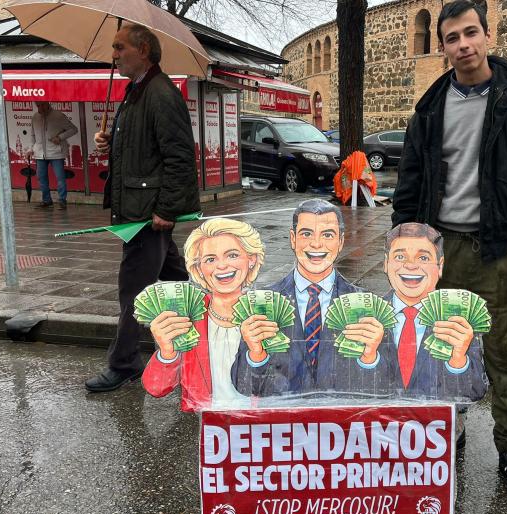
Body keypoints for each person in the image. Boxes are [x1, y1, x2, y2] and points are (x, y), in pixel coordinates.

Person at [392, 1, 507, 502]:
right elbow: (411, 177)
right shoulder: (430, 106)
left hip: (499, 248)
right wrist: (404, 237)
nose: (463, 44)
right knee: (441, 346)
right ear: (443, 47)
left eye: (471, 33)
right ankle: (451, 426)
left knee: (506, 354)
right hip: (440, 249)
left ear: (487, 35)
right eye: (452, 37)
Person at [85, 23, 201, 393]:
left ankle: (124, 362)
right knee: (178, 281)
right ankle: (202, 339)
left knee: (133, 289)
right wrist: (110, 142)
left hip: (147, 215)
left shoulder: (161, 93)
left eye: (120, 47)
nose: (114, 55)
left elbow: (179, 157)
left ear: (144, 50)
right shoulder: (135, 91)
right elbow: (143, 149)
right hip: (140, 209)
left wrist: (166, 209)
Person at [233, 199, 388, 397]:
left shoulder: (367, 305)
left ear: (340, 242)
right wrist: (256, 355)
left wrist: (370, 357)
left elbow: (385, 388)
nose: (316, 244)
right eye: (306, 234)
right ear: (293, 239)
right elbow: (243, 386)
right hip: (284, 415)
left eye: (327, 234)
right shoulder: (262, 303)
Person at [142, 219, 265, 412]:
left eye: (232, 255)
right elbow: (156, 388)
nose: (221, 266)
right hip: (207, 423)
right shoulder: (186, 318)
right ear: (198, 268)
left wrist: (258, 355)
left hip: (259, 423)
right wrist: (167, 352)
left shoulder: (269, 313)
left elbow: (289, 384)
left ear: (252, 259)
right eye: (210, 259)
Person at [381, 223, 487, 402]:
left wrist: (458, 360)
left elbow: (475, 391)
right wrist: (367, 359)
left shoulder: (458, 321)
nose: (411, 265)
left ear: (440, 266)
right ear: (386, 263)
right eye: (400, 256)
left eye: (423, 258)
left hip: (436, 419)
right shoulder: (364, 317)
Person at [25, 101, 79, 210]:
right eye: (38, 105)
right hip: (40, 153)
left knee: (60, 178)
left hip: (56, 153)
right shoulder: (35, 117)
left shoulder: (58, 115)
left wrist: (60, 137)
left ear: (47, 103)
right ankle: (46, 200)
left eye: (42, 105)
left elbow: (74, 129)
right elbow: (32, 135)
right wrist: (30, 148)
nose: (40, 108)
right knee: (41, 178)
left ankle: (62, 200)